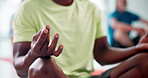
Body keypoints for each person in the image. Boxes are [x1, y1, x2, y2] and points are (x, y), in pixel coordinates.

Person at [13, 0, 148, 78]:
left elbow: (102, 53)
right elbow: (20, 69)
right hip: (55, 75)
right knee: (42, 65)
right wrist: (33, 55)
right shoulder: (29, 7)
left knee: (145, 60)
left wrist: (136, 49)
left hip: (88, 76)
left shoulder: (92, 8)